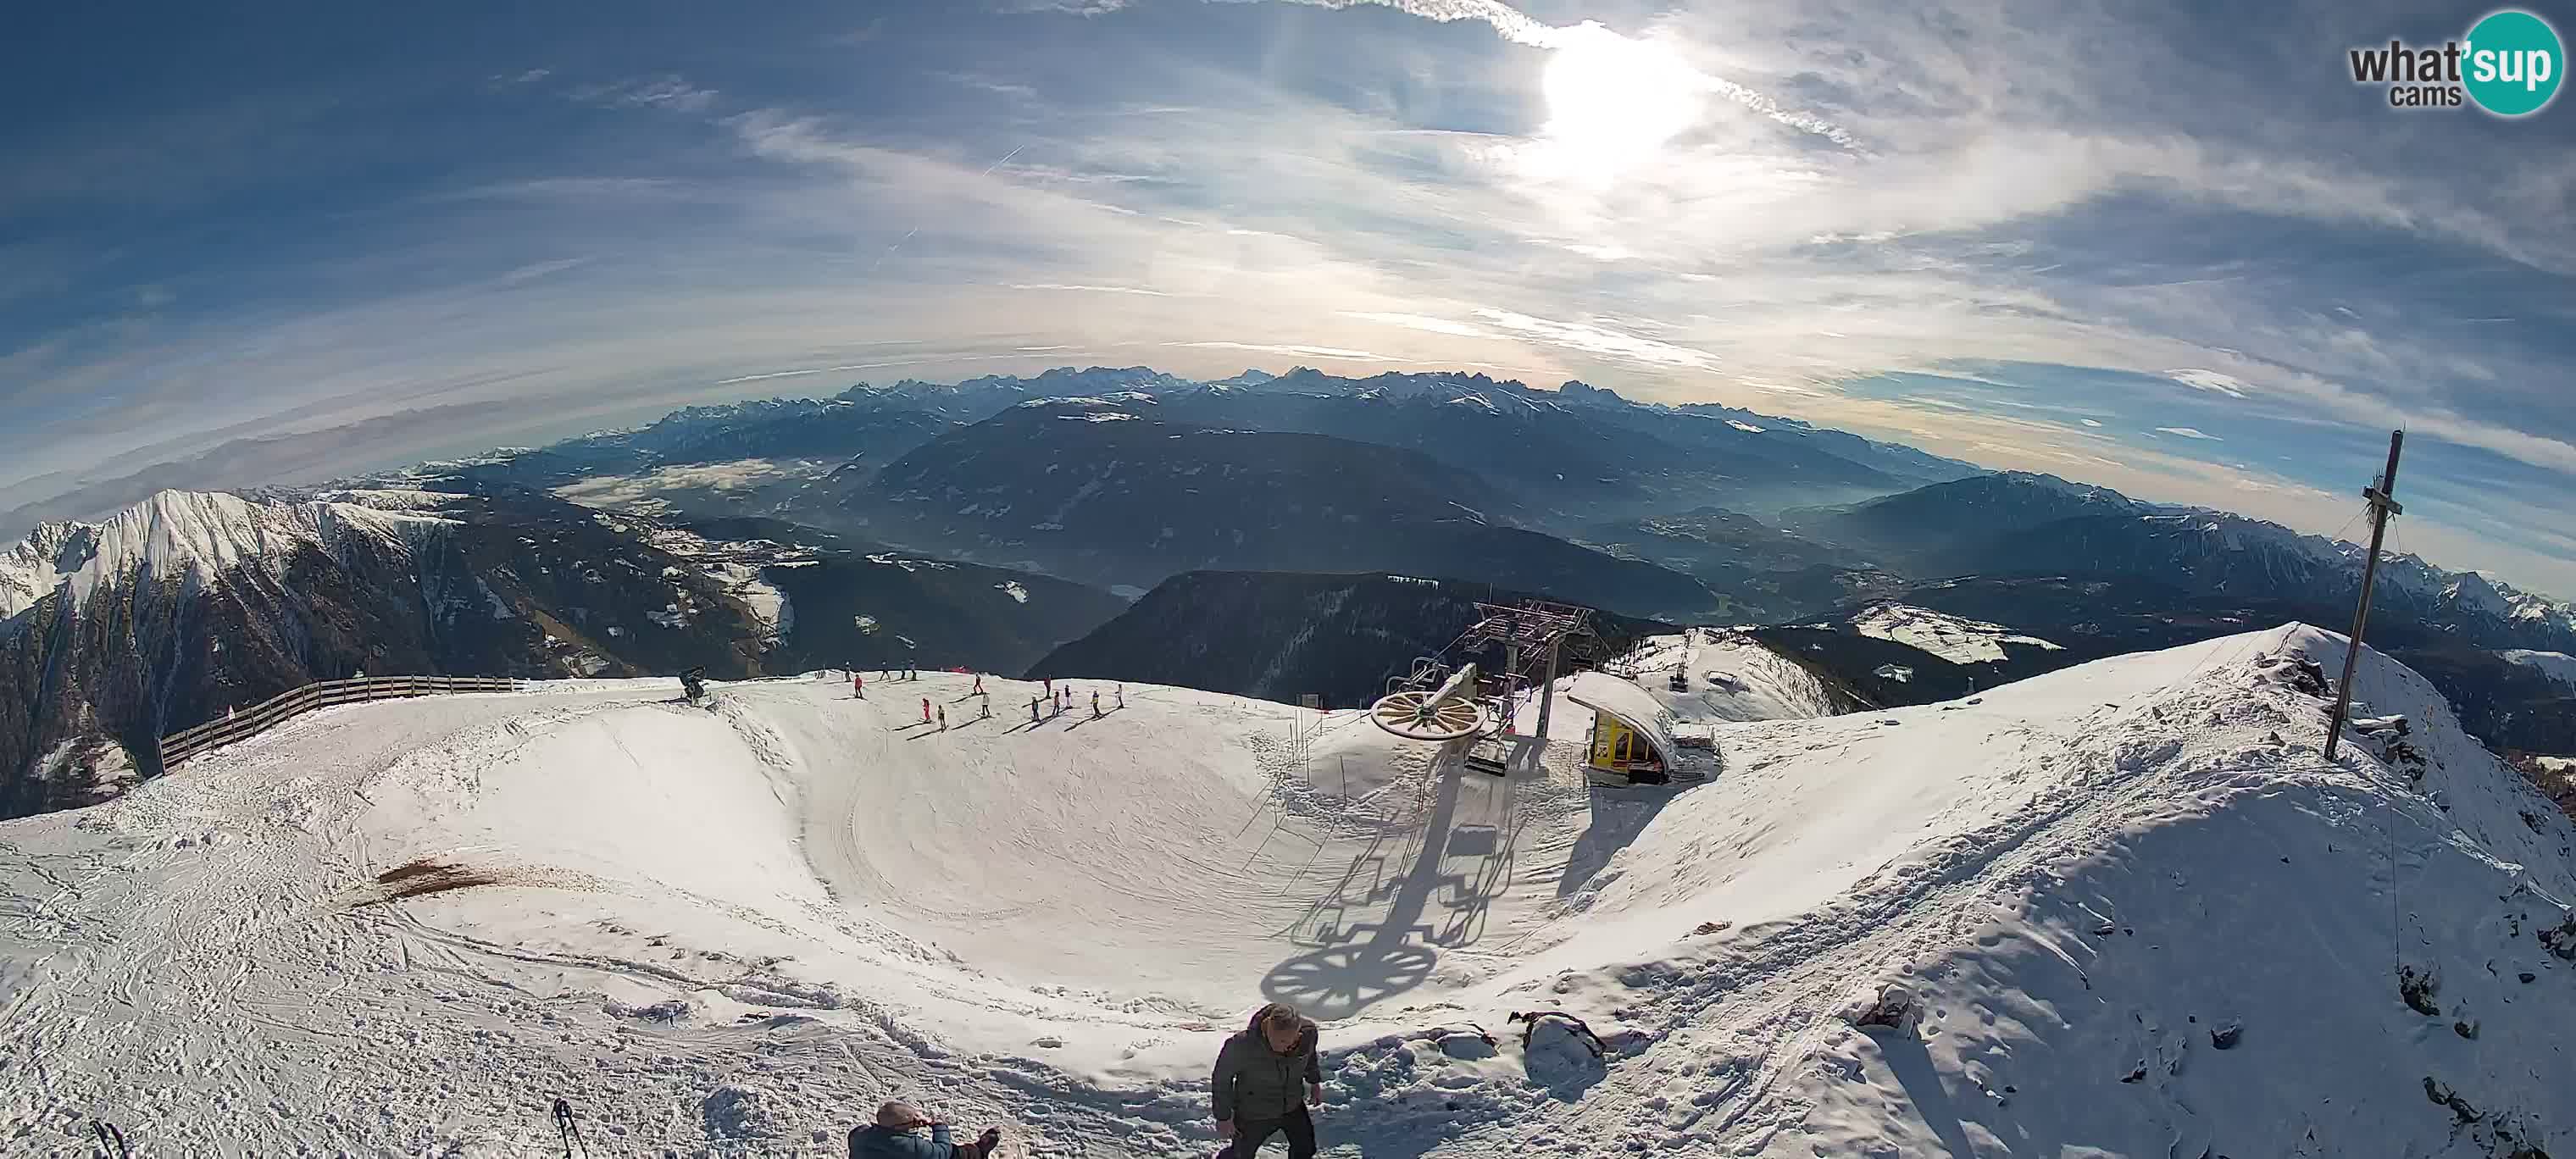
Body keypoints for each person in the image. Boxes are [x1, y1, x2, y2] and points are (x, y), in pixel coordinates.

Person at [1211, 1002, 1324, 1158]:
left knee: (1305, 1149)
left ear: (1298, 1035)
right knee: (1240, 1154)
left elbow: (1310, 1057)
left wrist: (1314, 1082)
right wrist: (1223, 1116)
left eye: (1285, 1042)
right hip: (1254, 1111)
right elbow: (1221, 1079)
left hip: (1292, 1104)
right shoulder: (1241, 1045)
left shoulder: (1308, 1035)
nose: (1278, 1046)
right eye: (1273, 1039)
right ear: (1266, 1027)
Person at [849, 1101, 1001, 1159]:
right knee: (952, 1155)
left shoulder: (860, 1133)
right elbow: (942, 1152)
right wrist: (938, 1126)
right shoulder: (908, 1146)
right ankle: (978, 1152)